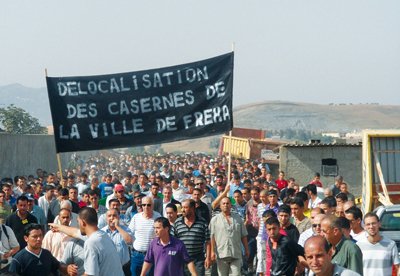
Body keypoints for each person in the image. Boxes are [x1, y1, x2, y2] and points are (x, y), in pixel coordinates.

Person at [9, 223, 75, 276]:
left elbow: (58, 265)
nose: (39, 239)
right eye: (35, 236)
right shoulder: (18, 260)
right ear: (26, 238)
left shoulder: (46, 254)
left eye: (40, 235)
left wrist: (67, 268)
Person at [78, 207, 124, 276]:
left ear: (82, 222)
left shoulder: (91, 242)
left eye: (78, 221)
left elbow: (90, 274)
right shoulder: (103, 234)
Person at [210, 197, 249, 276]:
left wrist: (246, 249)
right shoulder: (214, 220)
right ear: (220, 206)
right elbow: (212, 237)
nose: (225, 205)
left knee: (236, 274)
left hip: (236, 253)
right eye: (223, 203)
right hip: (221, 253)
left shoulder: (238, 218)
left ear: (231, 205)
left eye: (227, 203)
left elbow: (243, 235)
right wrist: (212, 251)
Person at [172, 199, 210, 276]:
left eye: (185, 207)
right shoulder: (177, 222)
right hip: (182, 259)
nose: (182, 210)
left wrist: (208, 257)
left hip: (198, 260)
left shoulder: (202, 222)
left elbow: (208, 241)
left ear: (192, 208)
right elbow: (173, 242)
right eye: (182, 207)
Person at [129, 196, 161, 276]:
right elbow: (129, 233)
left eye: (148, 205)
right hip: (136, 255)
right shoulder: (136, 217)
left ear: (153, 205)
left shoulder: (158, 217)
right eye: (143, 205)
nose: (146, 207)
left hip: (151, 255)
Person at [102, 208, 133, 275]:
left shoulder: (126, 229)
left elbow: (129, 241)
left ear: (118, 217)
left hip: (124, 267)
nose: (112, 218)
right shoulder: (102, 232)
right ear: (106, 218)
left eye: (114, 215)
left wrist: (117, 227)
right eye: (109, 216)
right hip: (108, 268)